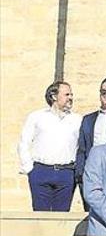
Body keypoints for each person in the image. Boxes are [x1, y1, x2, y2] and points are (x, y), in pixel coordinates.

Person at [18, 81, 82, 211]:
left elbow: (81, 147)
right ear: (54, 96)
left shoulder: (78, 120)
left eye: (71, 95)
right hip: (40, 172)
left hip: (66, 173)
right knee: (40, 217)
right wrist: (30, 169)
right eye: (67, 94)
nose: (71, 98)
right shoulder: (36, 117)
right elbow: (24, 142)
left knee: (62, 218)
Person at [76, 75, 106, 208]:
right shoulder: (88, 119)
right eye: (104, 91)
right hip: (90, 177)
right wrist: (80, 175)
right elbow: (82, 148)